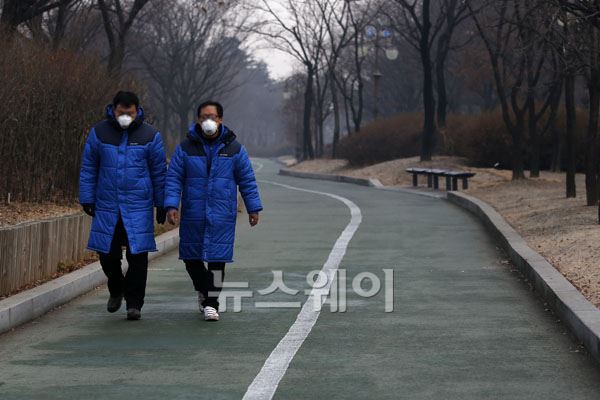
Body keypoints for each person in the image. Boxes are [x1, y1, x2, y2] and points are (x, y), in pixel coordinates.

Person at [164, 100, 262, 321]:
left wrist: (253, 207)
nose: (208, 121)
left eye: (212, 117)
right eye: (203, 117)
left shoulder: (234, 148)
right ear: (198, 120)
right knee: (191, 258)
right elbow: (173, 179)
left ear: (220, 120)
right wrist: (171, 205)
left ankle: (211, 303)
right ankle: (204, 290)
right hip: (193, 212)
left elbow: (247, 179)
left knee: (217, 260)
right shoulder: (186, 148)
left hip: (222, 214)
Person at [79, 91, 167, 320]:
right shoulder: (99, 133)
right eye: (121, 113)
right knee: (107, 254)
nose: (125, 117)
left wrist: (162, 203)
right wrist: (87, 197)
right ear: (113, 110)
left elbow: (159, 172)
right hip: (107, 204)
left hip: (138, 206)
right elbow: (89, 167)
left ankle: (134, 303)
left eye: (129, 113)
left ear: (137, 111)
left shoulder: (150, 136)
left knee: (138, 256)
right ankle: (116, 288)